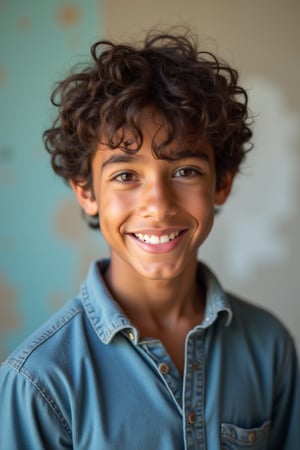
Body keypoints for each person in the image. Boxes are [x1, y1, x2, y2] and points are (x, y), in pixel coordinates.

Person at [0, 28, 299, 450]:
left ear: (222, 183)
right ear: (86, 192)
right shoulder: (40, 381)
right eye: (125, 176)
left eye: (184, 171)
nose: (158, 206)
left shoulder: (269, 347)